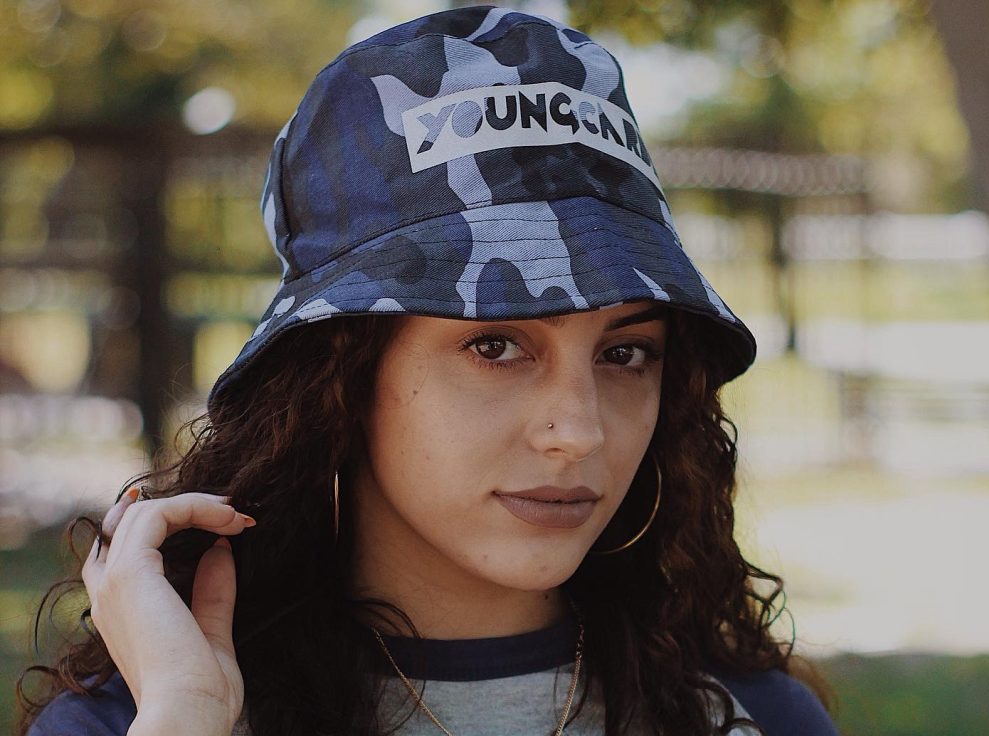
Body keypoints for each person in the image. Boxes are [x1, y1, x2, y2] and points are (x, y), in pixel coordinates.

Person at [18, 6, 838, 735]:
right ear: (340, 378)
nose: (580, 431)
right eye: (496, 345)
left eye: (625, 353)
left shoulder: (749, 717)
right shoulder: (143, 717)